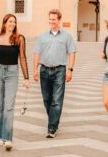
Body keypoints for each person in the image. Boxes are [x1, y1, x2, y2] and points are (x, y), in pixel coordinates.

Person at [0, 14, 29, 150]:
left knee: (9, 106)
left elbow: (23, 58)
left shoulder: (19, 38)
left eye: (14, 22)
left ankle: (7, 138)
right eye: (10, 22)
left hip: (12, 73)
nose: (12, 24)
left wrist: (26, 78)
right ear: (4, 23)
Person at [31, 8, 77, 138]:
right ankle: (54, 121)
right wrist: (35, 69)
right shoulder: (42, 36)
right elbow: (37, 53)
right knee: (47, 99)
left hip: (59, 70)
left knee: (57, 100)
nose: (51, 21)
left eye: (54, 19)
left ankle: (51, 128)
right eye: (50, 19)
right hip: (44, 70)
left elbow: (72, 53)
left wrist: (70, 70)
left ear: (59, 20)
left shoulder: (67, 36)